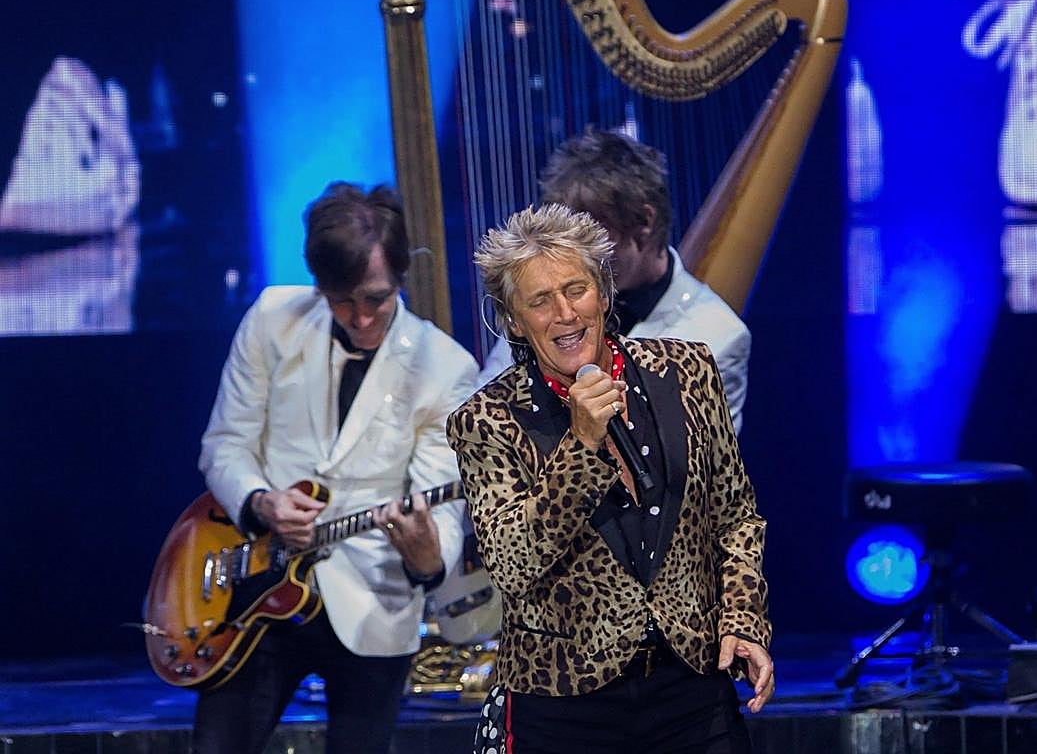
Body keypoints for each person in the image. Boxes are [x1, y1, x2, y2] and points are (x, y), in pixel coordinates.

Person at [448, 203, 773, 754]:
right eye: (539, 301)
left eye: (575, 290)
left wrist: (742, 617)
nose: (564, 314)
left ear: (603, 291)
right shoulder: (486, 421)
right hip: (563, 700)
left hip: (689, 685)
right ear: (513, 321)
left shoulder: (688, 372)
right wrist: (581, 445)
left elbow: (735, 515)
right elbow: (512, 565)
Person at [192, 183, 479, 754]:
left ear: (401, 275)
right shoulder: (272, 318)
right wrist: (262, 502)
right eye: (341, 300)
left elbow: (441, 527)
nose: (361, 318)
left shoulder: (446, 368)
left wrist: (425, 553)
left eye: (376, 298)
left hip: (373, 602)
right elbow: (224, 445)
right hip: (259, 586)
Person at [479, 129, 751, 433]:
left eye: (592, 234)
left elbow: (695, 456)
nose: (575, 253)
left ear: (644, 221)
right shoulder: (543, 307)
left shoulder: (718, 335)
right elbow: (486, 414)